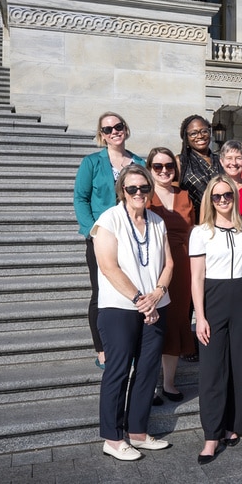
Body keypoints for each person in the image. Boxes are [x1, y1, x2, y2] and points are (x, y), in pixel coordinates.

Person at [91, 164, 173, 460]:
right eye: (132, 188)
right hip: (120, 307)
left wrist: (158, 293)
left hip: (155, 305)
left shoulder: (156, 221)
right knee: (119, 370)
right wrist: (142, 300)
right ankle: (112, 439)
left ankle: (137, 432)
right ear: (121, 191)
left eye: (144, 188)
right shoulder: (109, 219)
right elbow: (108, 266)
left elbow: (169, 264)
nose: (139, 193)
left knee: (148, 371)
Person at [190, 175, 242, 464]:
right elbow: (196, 277)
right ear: (210, 200)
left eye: (228, 195)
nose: (223, 200)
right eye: (217, 196)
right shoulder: (200, 232)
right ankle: (211, 435)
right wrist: (200, 316)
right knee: (212, 369)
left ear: (234, 197)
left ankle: (233, 424)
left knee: (241, 364)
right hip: (214, 297)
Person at [73, 111, 145, 370]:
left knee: (131, 288)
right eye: (107, 129)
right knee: (101, 292)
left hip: (132, 236)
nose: (114, 131)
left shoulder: (138, 162)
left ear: (125, 128)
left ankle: (130, 344)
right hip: (101, 237)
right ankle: (102, 348)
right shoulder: (92, 162)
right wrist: (92, 231)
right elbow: (80, 199)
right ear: (101, 135)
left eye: (118, 126)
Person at [146, 148, 195, 404]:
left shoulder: (185, 195)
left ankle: (168, 382)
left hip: (183, 266)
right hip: (152, 266)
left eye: (169, 166)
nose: (164, 170)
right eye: (158, 166)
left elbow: (194, 230)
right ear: (150, 168)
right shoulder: (143, 195)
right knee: (151, 323)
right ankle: (148, 384)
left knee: (175, 321)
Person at [177, 114, 222, 222]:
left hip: (221, 220)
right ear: (186, 138)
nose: (200, 136)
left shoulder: (220, 160)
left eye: (204, 131)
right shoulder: (180, 162)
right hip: (194, 222)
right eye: (193, 133)